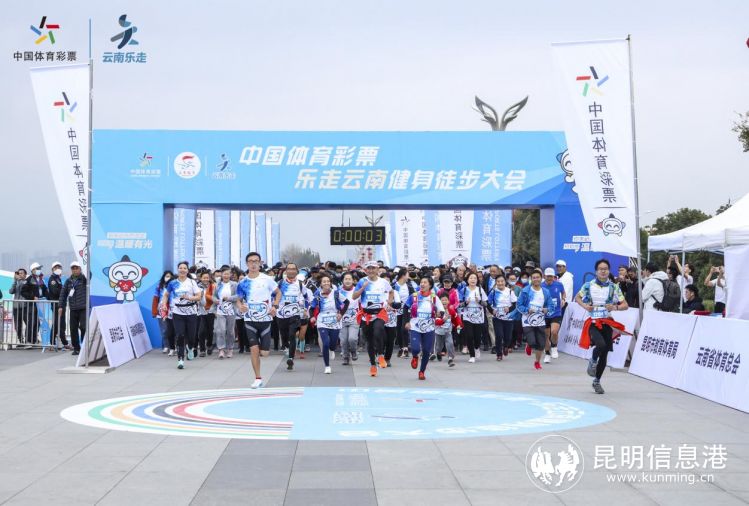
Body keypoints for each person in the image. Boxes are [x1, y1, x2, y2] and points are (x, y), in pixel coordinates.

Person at [575, 259, 628, 394]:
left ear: (609, 271)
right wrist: (585, 306)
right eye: (600, 269)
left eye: (605, 269)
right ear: (596, 271)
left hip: (607, 322)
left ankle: (597, 381)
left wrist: (615, 307)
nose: (603, 271)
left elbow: (625, 305)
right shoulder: (588, 285)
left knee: (604, 354)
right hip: (593, 322)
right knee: (601, 345)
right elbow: (577, 298)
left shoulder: (614, 287)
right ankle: (593, 360)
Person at [236, 252, 278, 388]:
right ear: (247, 263)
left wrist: (275, 306)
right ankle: (258, 378)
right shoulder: (243, 283)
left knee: (264, 353)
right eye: (250, 261)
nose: (253, 264)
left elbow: (278, 293)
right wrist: (240, 306)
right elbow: (238, 299)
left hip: (265, 320)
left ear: (260, 263)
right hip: (250, 320)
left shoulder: (267, 279)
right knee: (254, 349)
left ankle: (262, 348)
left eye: (256, 261)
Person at [353, 260, 394, 377]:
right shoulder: (362, 281)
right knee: (370, 341)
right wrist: (362, 288)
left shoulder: (383, 282)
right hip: (366, 314)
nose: (371, 270)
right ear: (366, 270)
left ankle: (380, 355)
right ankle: (372, 365)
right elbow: (354, 296)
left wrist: (389, 303)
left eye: (373, 268)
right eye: (369, 268)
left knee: (378, 331)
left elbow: (391, 292)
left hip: (379, 313)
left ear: (377, 270)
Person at [160, 261, 203, 369]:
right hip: (177, 312)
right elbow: (166, 295)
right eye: (180, 268)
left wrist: (189, 297)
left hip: (191, 313)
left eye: (184, 268)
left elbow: (199, 296)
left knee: (192, 337)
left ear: (187, 270)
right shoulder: (172, 283)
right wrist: (164, 304)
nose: (182, 270)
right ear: (178, 270)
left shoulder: (192, 282)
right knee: (180, 335)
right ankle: (180, 360)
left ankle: (190, 348)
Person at [403, 275, 445, 380]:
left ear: (430, 285)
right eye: (421, 282)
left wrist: (440, 314)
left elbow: (441, 311)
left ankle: (421, 372)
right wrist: (406, 321)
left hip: (429, 328)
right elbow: (405, 308)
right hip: (415, 327)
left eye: (425, 282)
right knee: (415, 348)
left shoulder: (434, 298)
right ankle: (415, 356)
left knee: (426, 351)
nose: (422, 284)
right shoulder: (414, 296)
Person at [514, 269, 551, 370]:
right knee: (532, 342)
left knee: (541, 344)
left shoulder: (546, 292)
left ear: (541, 278)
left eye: (538, 277)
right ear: (531, 279)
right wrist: (527, 310)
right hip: (527, 320)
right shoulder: (525, 291)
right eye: (534, 278)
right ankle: (529, 345)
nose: (536, 279)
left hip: (540, 320)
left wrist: (547, 310)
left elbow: (551, 306)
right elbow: (518, 305)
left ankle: (537, 362)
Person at [274, 263, 307, 371]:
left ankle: (290, 359)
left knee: (292, 335)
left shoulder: (300, 284)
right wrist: (274, 307)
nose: (291, 271)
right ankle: (287, 347)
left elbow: (306, 297)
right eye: (289, 269)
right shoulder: (280, 283)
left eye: (293, 269)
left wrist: (305, 308)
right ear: (286, 271)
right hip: (281, 314)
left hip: (295, 314)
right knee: (284, 337)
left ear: (296, 271)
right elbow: (273, 296)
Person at [58, 262, 87, 356]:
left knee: (84, 327)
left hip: (83, 308)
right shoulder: (68, 281)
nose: (75, 270)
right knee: (73, 329)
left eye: (76, 268)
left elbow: (90, 275)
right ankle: (76, 348)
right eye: (73, 268)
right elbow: (63, 294)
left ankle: (85, 346)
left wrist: (86, 265)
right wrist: (60, 306)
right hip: (73, 309)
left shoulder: (84, 278)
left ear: (80, 269)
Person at [458, 272, 488, 363]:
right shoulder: (463, 290)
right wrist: (465, 303)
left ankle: (477, 347)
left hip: (478, 316)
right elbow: (459, 304)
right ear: (467, 280)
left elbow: (486, 303)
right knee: (469, 336)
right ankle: (472, 355)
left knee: (477, 336)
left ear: (477, 280)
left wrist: (480, 301)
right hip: (467, 316)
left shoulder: (480, 290)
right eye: (471, 278)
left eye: (475, 278)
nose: (473, 280)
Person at [487, 274, 516, 360]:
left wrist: (509, 309)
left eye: (502, 281)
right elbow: (487, 303)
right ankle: (499, 354)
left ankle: (506, 346)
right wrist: (492, 311)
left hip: (508, 318)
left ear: (505, 282)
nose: (500, 283)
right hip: (497, 317)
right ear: (496, 282)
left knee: (508, 337)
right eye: (498, 281)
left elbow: (515, 304)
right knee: (499, 335)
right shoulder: (493, 292)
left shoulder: (510, 291)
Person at [212, 266, 238, 359]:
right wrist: (215, 300)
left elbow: (238, 296)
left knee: (230, 331)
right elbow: (213, 296)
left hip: (231, 310)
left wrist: (229, 298)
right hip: (220, 310)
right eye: (224, 274)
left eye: (228, 274)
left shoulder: (234, 284)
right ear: (221, 275)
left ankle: (230, 349)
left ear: (230, 275)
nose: (226, 275)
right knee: (221, 330)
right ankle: (221, 349)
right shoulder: (217, 285)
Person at [542, 268, 565, 364]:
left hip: (556, 312)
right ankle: (547, 354)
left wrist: (563, 299)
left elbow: (563, 293)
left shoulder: (559, 284)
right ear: (544, 276)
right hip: (544, 314)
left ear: (554, 277)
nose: (549, 278)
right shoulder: (540, 286)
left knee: (554, 332)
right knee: (546, 336)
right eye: (548, 276)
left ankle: (554, 347)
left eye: (551, 276)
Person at [21, 262, 48, 346]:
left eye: (40, 268)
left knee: (37, 323)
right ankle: (28, 341)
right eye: (37, 268)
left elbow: (45, 291)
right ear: (32, 270)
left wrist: (48, 297)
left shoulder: (41, 279)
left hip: (40, 304)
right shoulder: (29, 280)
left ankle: (34, 340)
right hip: (31, 305)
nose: (39, 270)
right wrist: (32, 297)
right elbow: (23, 292)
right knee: (31, 322)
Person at [338, 272, 359, 366]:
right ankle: (345, 357)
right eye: (345, 279)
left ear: (353, 281)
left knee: (352, 339)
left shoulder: (357, 290)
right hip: (341, 319)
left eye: (349, 279)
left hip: (354, 319)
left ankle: (354, 351)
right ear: (342, 281)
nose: (347, 281)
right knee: (343, 340)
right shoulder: (338, 291)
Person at [393, 268, 413, 358]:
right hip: (396, 311)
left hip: (406, 310)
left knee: (404, 329)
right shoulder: (394, 286)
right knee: (398, 330)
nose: (408, 277)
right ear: (403, 275)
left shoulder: (409, 286)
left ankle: (405, 348)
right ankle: (401, 348)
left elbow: (413, 297)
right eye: (407, 275)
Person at [433, 294, 459, 367]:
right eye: (442, 300)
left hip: (448, 331)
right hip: (438, 332)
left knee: (450, 344)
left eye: (446, 300)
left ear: (448, 301)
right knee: (439, 347)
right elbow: (436, 322)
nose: (444, 301)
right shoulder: (437, 311)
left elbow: (456, 318)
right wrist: (443, 320)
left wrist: (459, 325)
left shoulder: (451, 310)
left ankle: (450, 359)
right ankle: (438, 353)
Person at [154, 270, 175, 354]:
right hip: (161, 310)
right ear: (163, 277)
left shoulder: (174, 286)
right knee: (164, 330)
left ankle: (173, 346)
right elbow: (155, 299)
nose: (168, 278)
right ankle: (166, 346)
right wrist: (154, 311)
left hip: (171, 310)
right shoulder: (159, 287)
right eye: (167, 276)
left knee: (172, 329)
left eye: (170, 276)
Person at [197, 271, 216, 357]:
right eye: (204, 278)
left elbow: (216, 298)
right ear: (201, 278)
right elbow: (196, 300)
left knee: (210, 330)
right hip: (201, 312)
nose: (206, 279)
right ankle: (202, 350)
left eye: (207, 278)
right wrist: (199, 297)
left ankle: (209, 345)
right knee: (201, 331)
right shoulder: (197, 287)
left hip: (211, 311)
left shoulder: (213, 286)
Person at [9, 269, 27, 345]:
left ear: (25, 275)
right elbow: (11, 291)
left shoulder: (26, 282)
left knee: (29, 323)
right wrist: (15, 281)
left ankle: (28, 339)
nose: (19, 275)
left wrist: (19, 280)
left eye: (21, 273)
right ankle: (21, 341)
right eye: (18, 273)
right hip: (16, 307)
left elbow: (24, 287)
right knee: (17, 326)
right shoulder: (16, 282)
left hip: (24, 307)